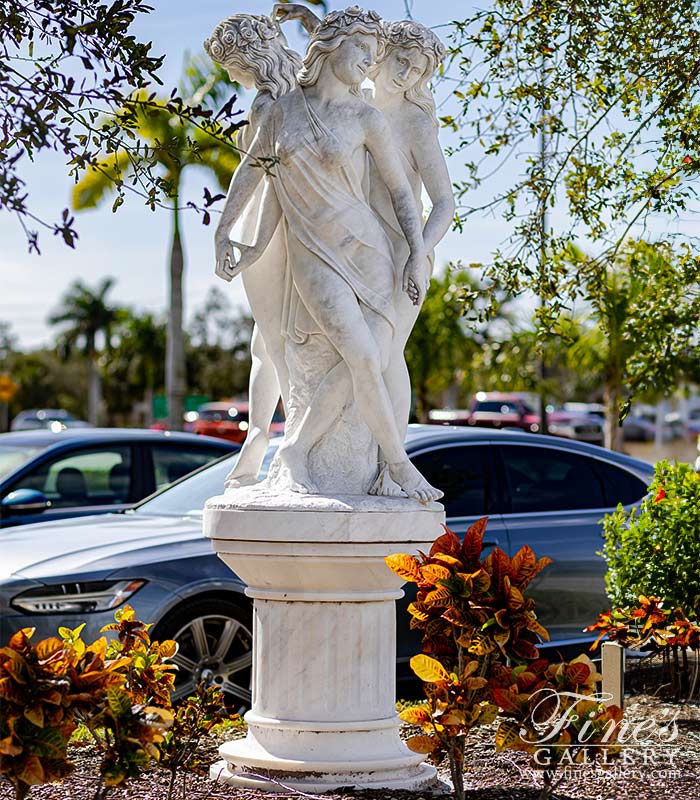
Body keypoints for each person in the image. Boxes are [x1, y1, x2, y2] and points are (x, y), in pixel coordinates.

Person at [214, 7, 442, 502]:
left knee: (377, 357)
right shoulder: (281, 111)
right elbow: (253, 176)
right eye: (361, 49)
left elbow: (405, 194)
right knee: (358, 355)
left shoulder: (366, 117)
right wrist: (226, 232)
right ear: (330, 47)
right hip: (315, 256)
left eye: (372, 51)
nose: (369, 60)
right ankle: (398, 467)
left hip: (371, 253)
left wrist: (414, 255)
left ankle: (304, 453)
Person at [204, 14, 300, 488]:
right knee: (267, 343)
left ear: (249, 59)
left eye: (231, 66)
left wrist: (224, 229)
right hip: (288, 226)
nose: (229, 77)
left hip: (268, 230)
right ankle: (262, 441)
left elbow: (252, 171)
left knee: (273, 343)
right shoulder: (306, 84)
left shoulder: (269, 103)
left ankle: (271, 440)